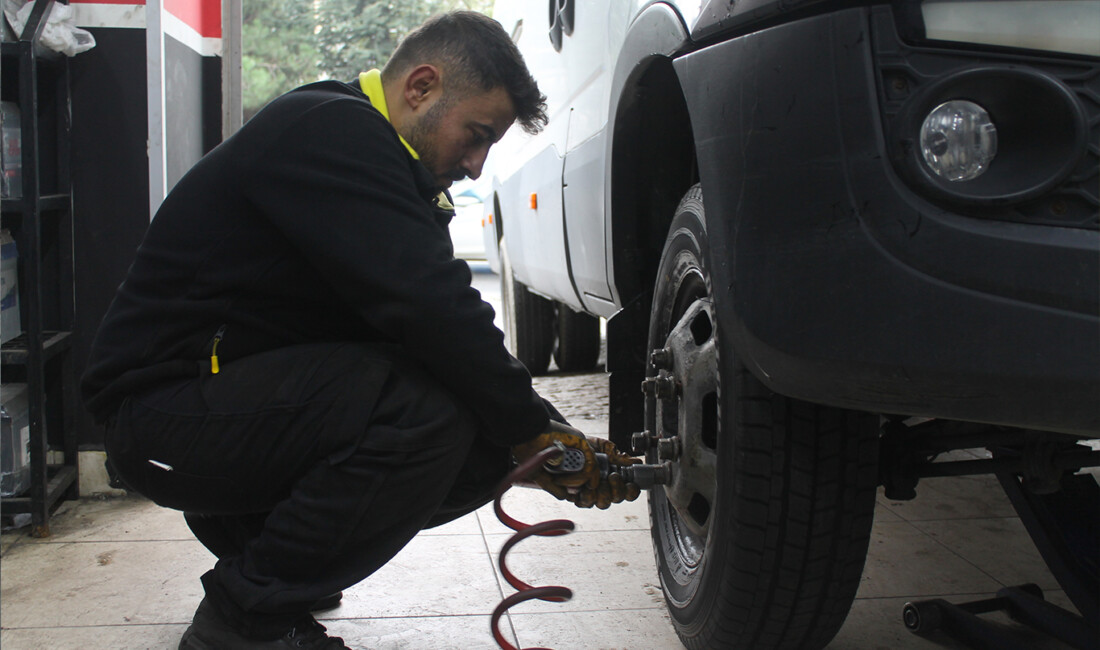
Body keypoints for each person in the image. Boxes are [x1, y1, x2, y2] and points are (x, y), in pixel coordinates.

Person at [81, 11, 640, 650]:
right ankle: (244, 622)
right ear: (421, 87)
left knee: (482, 439)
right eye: (476, 135)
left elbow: (437, 337)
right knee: (423, 418)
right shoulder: (328, 130)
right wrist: (533, 429)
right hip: (160, 417)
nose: (479, 165)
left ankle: (275, 561)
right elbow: (432, 307)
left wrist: (545, 436)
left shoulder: (386, 168)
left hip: (223, 418)